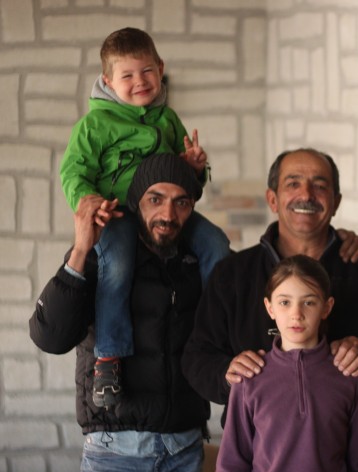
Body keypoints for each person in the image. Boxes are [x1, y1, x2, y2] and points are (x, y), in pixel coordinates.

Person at [182, 147, 358, 441]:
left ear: (336, 202)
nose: (307, 194)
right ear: (272, 199)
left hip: (351, 455)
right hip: (258, 455)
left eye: (320, 185)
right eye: (293, 183)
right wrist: (227, 373)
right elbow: (196, 357)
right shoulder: (233, 274)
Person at [59, 27, 230, 408]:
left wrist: (194, 168)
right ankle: (109, 357)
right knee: (117, 265)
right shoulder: (94, 125)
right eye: (128, 75)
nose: (140, 81)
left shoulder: (168, 119)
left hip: (167, 211)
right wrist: (88, 200)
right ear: (107, 81)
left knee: (217, 244)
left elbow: (188, 185)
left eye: (147, 71)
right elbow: (73, 172)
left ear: (161, 68)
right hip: (118, 213)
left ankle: (216, 329)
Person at [30, 154, 213, 472]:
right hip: (113, 450)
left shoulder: (197, 260)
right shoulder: (102, 255)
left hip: (183, 450)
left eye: (181, 202)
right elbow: (50, 337)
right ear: (136, 201)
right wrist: (81, 249)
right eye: (155, 199)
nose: (168, 214)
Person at [213, 255, 358, 472]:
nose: (296, 314)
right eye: (284, 302)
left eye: (309, 302)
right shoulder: (249, 378)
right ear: (269, 307)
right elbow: (231, 467)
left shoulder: (350, 376)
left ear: (327, 307)